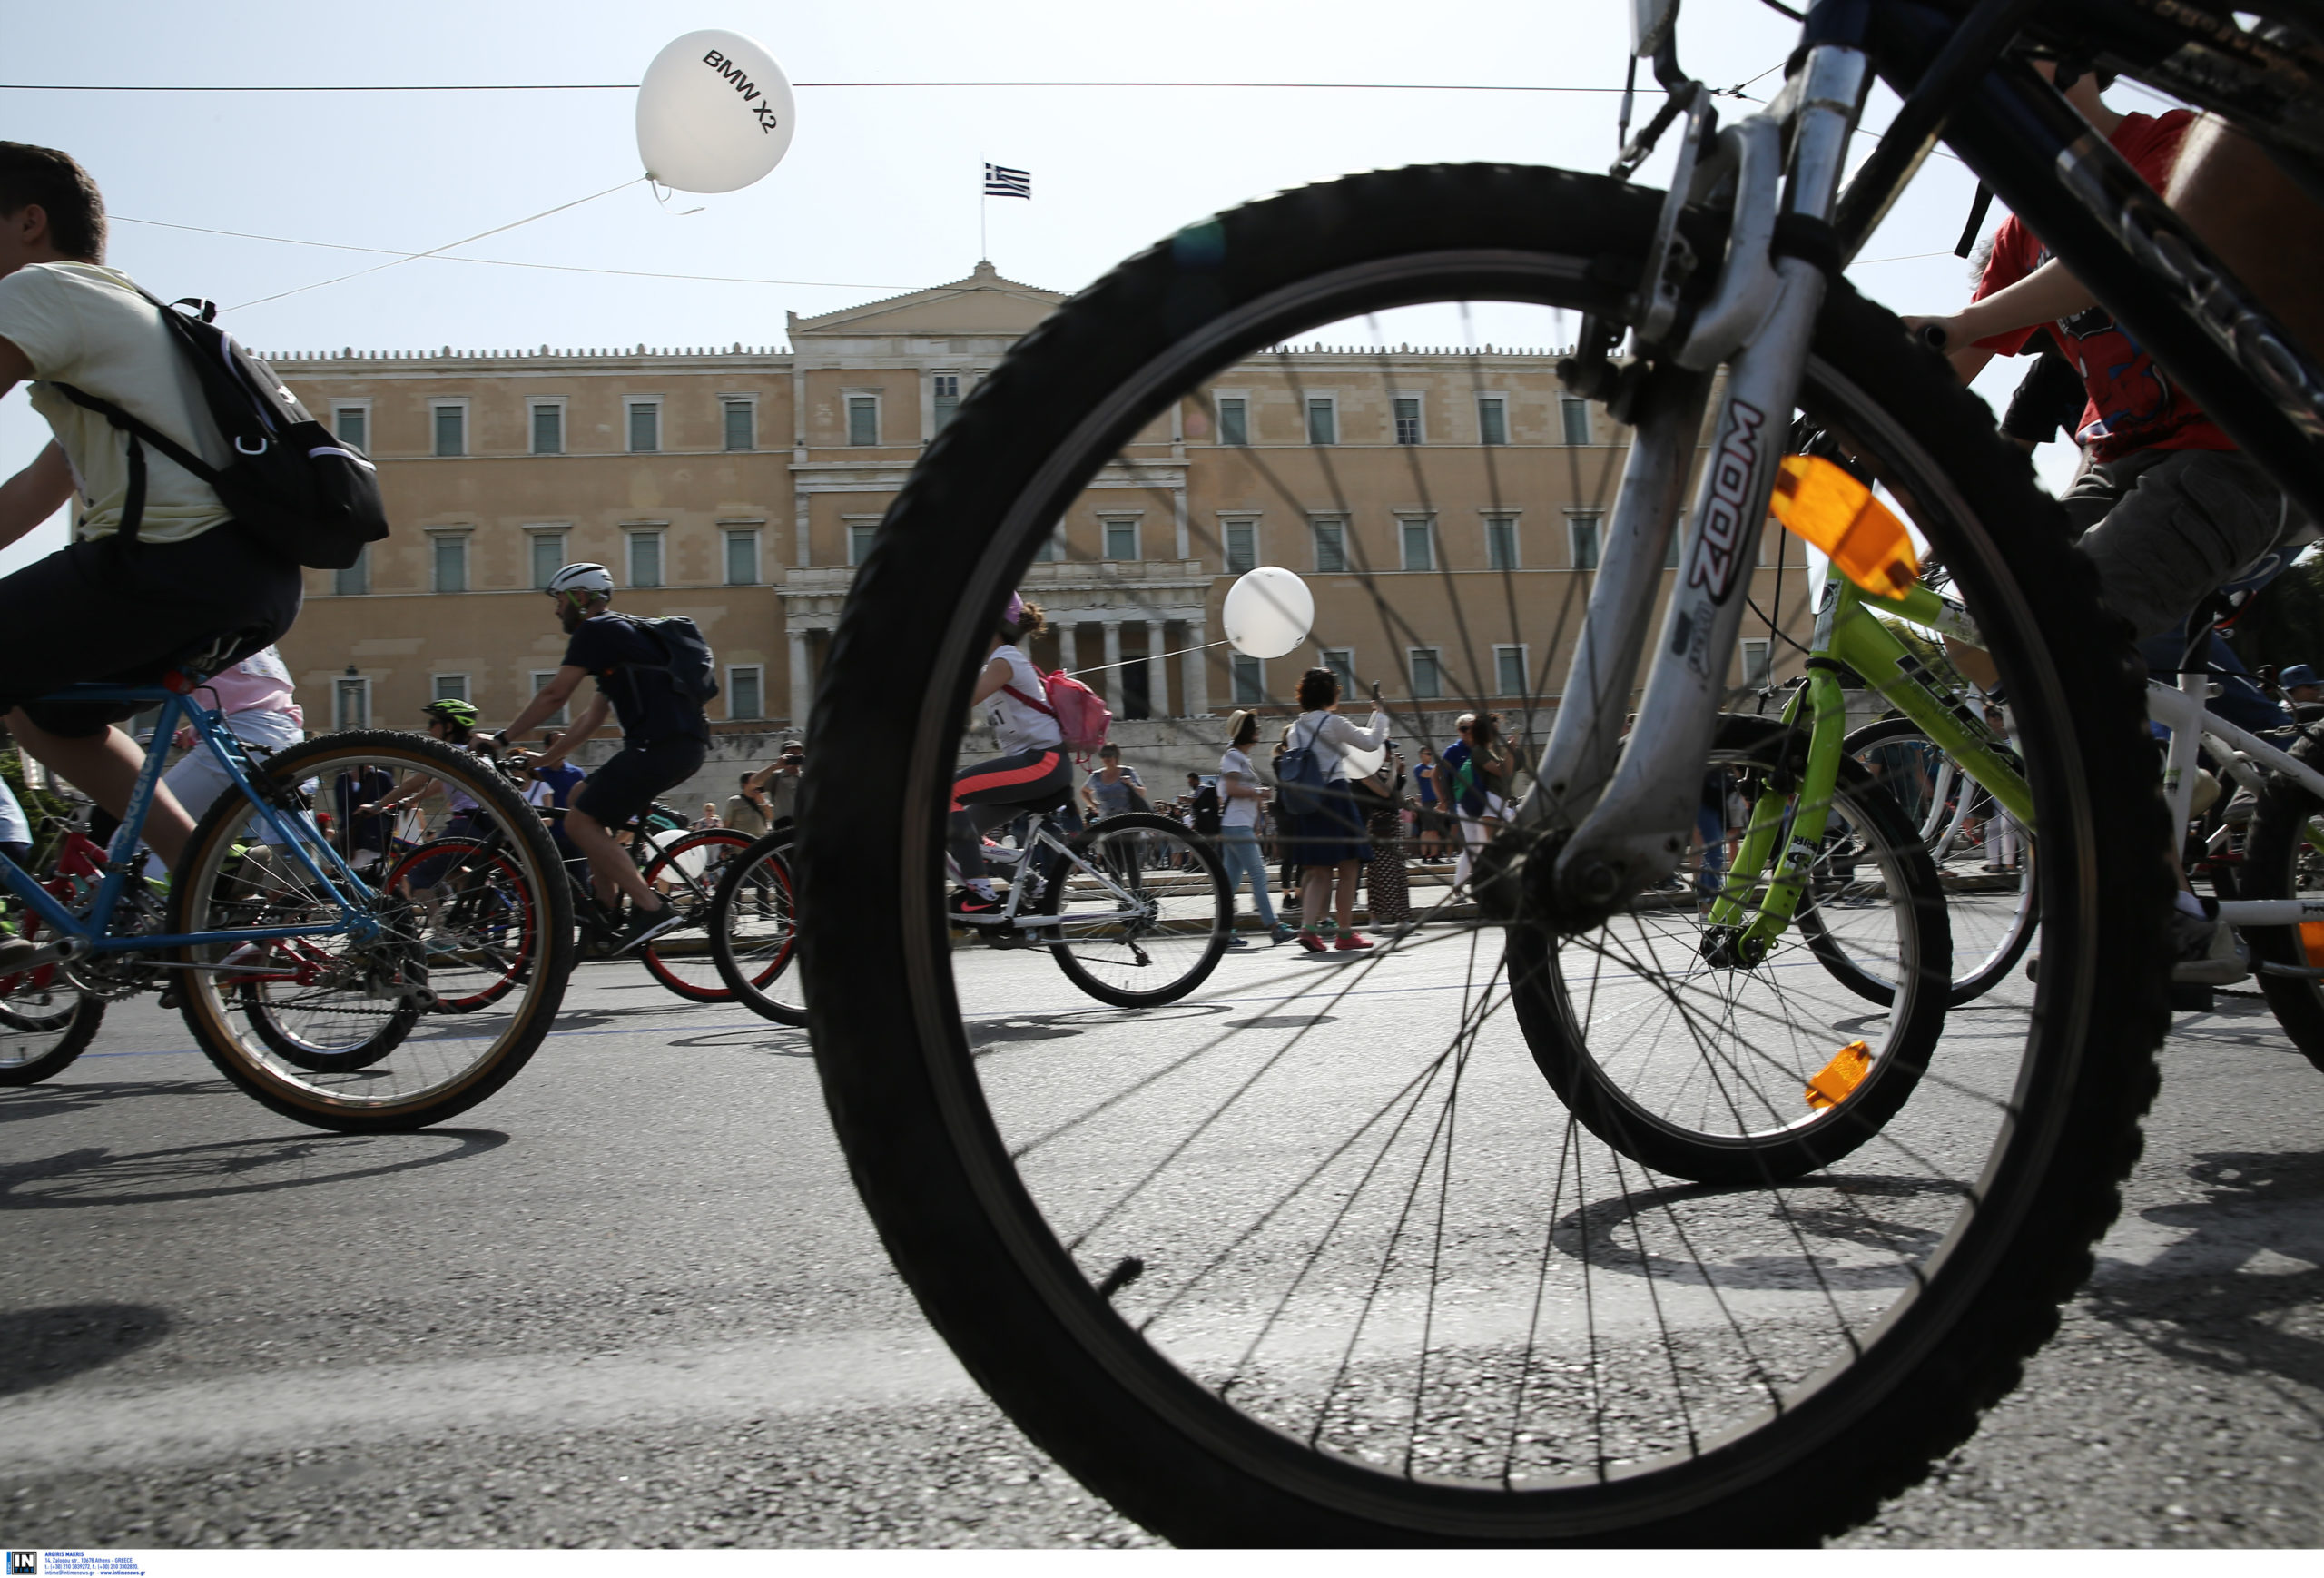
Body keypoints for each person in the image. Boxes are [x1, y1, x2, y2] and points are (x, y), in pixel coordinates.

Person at [1901, 62, 2303, 982]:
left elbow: (2110, 258)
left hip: (2235, 456)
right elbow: (1947, 364)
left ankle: (2156, 898)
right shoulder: (2017, 224)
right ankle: (2157, 782)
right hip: (2118, 463)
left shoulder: (2169, 146)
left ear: (2073, 50)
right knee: (1988, 624)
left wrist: (1957, 332)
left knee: (2080, 629)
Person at [0, 144, 304, 972]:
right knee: (45, 713)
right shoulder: (129, 313)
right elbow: (33, 493)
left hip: (166, 563)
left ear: (30, 222)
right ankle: (205, 895)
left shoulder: (38, 290)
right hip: (251, 574)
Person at [484, 562, 711, 955]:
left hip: (659, 747)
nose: (556, 610)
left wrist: (501, 739)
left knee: (579, 822)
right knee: (578, 799)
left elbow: (555, 694)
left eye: (559, 601)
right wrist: (545, 760)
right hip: (676, 746)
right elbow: (593, 717)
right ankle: (606, 907)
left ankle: (651, 907)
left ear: (581, 598)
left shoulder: (595, 630)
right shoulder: (618, 635)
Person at [946, 593, 1073, 919]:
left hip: (1042, 763)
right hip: (1033, 767)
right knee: (958, 833)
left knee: (950, 794)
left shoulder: (1005, 659)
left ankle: (980, 893)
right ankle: (1037, 888)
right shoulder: (1000, 661)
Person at [1281, 666, 1391, 953]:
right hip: (1335, 796)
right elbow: (1370, 743)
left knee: (1319, 871)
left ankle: (1308, 928)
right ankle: (1344, 932)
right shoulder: (1332, 722)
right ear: (1330, 693)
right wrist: (1380, 712)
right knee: (1349, 866)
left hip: (1309, 800)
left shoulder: (1295, 729)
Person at [1218, 708, 1295, 948]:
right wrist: (1258, 792)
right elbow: (1231, 790)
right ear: (1245, 732)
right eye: (1255, 728)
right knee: (1259, 875)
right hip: (1236, 826)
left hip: (1236, 826)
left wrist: (1257, 817)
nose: (1259, 731)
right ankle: (1274, 927)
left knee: (1229, 883)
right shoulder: (1233, 757)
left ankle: (1224, 932)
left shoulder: (1239, 758)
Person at [1351, 741, 1413, 934]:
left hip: (1393, 822)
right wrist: (1395, 769)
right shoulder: (1365, 773)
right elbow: (1384, 793)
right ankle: (1375, 916)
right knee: (1378, 871)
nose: (1392, 752)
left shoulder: (1383, 771)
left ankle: (1401, 915)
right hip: (1376, 823)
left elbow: (1395, 794)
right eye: (1388, 749)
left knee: (1398, 871)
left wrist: (1399, 772)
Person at [739, 738, 805, 833]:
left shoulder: (807, 777)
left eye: (798, 754)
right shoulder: (776, 777)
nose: (795, 757)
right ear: (783, 756)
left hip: (804, 827)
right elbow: (755, 782)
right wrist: (776, 766)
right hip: (783, 828)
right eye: (791, 754)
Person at [1083, 744, 1145, 821]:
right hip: (1106, 820)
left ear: (1116, 756)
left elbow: (1142, 793)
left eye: (1109, 755)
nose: (1106, 758)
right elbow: (1084, 791)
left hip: (1129, 819)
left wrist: (1131, 785)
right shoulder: (1096, 776)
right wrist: (1095, 805)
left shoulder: (1128, 771)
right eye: (1103, 756)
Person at [1187, 771, 1222, 843]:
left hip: (1208, 827)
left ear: (1196, 780)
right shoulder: (1197, 791)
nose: (1190, 784)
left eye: (1191, 782)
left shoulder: (1202, 788)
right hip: (1202, 826)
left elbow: (1194, 800)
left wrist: (1184, 798)